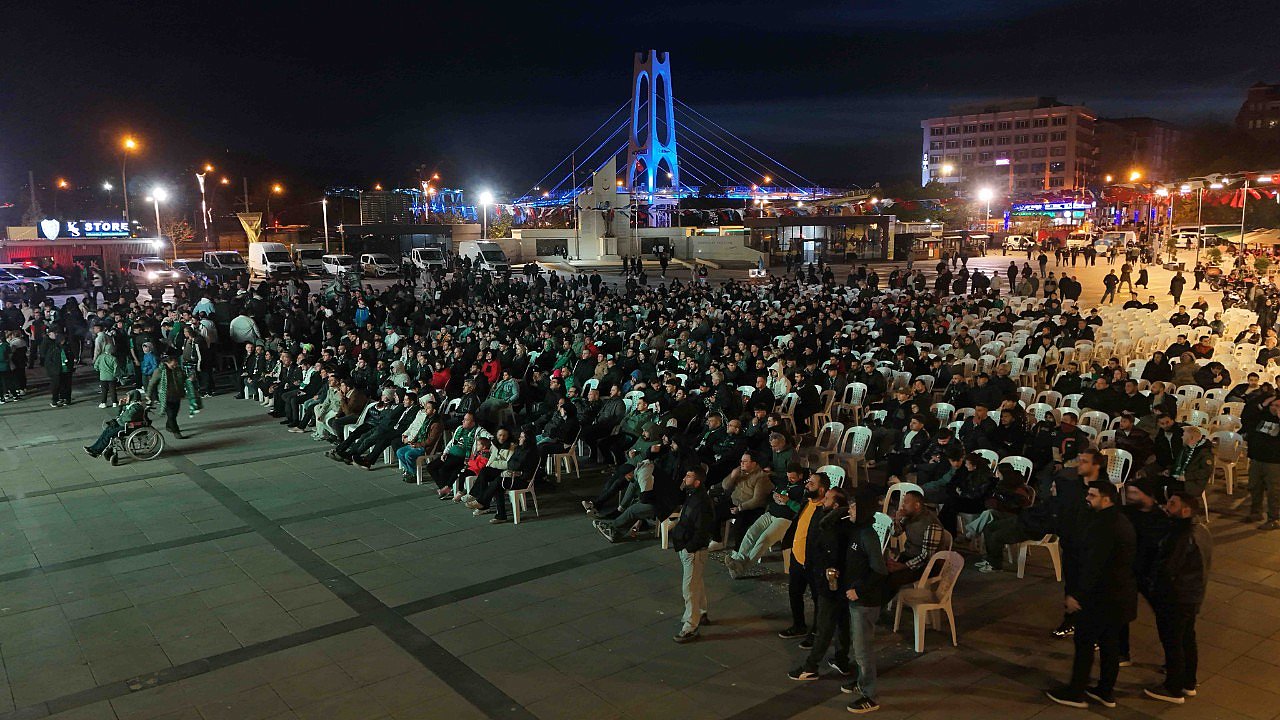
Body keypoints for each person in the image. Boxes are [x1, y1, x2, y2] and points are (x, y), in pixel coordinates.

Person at [1046, 480, 1137, 709]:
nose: (1087, 498)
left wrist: (1077, 596)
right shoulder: (1119, 520)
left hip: (1101, 597)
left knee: (1085, 642)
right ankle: (1105, 691)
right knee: (1109, 644)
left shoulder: (1105, 526)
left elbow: (1094, 566)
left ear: (1106, 499)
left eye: (1092, 495)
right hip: (1119, 595)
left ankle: (1076, 692)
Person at [1143, 491, 1212, 704]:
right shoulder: (1201, 530)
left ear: (1185, 510)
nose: (1166, 506)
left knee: (1173, 641)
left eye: (1172, 504)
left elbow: (1168, 568)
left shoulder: (1182, 535)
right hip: (1191, 595)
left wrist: (1155, 588)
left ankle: (1173, 688)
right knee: (1187, 638)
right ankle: (1188, 682)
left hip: (1176, 597)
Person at [838, 488, 889, 714]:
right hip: (855, 598)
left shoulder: (867, 535)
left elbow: (880, 570)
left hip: (865, 602)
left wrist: (859, 590)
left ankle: (870, 695)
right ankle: (861, 681)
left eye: (853, 506)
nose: (849, 510)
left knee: (863, 649)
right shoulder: (856, 530)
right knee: (859, 646)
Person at [669, 468, 713, 643]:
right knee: (696, 582)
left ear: (697, 482)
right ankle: (701, 612)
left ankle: (690, 626)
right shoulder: (692, 495)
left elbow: (702, 530)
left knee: (689, 589)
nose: (684, 478)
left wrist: (690, 548)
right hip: (688, 548)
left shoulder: (701, 502)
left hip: (693, 551)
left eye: (688, 476)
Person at [1242, 394, 1280, 530]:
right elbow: (1247, 417)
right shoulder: (1262, 417)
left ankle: (1274, 518)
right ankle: (1255, 512)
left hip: (1274, 462)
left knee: (1273, 491)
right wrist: (1262, 405)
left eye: (1279, 406)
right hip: (1257, 458)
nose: (1275, 408)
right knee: (1254, 486)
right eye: (1274, 405)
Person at [83, 389, 148, 458]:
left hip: (129, 426)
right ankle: (94, 448)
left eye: (128, 397)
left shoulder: (136, 407)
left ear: (133, 397)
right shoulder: (130, 405)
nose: (126, 398)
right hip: (124, 424)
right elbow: (119, 415)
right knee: (106, 431)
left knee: (109, 435)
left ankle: (97, 451)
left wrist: (119, 419)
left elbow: (127, 418)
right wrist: (121, 406)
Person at [146, 355, 188, 439]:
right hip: (166, 397)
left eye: (176, 364)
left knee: (174, 414)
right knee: (171, 415)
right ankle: (176, 432)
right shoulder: (159, 371)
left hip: (176, 395)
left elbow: (184, 378)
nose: (175, 366)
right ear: (166, 363)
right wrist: (148, 395)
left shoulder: (178, 369)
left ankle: (169, 426)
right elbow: (152, 384)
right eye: (173, 365)